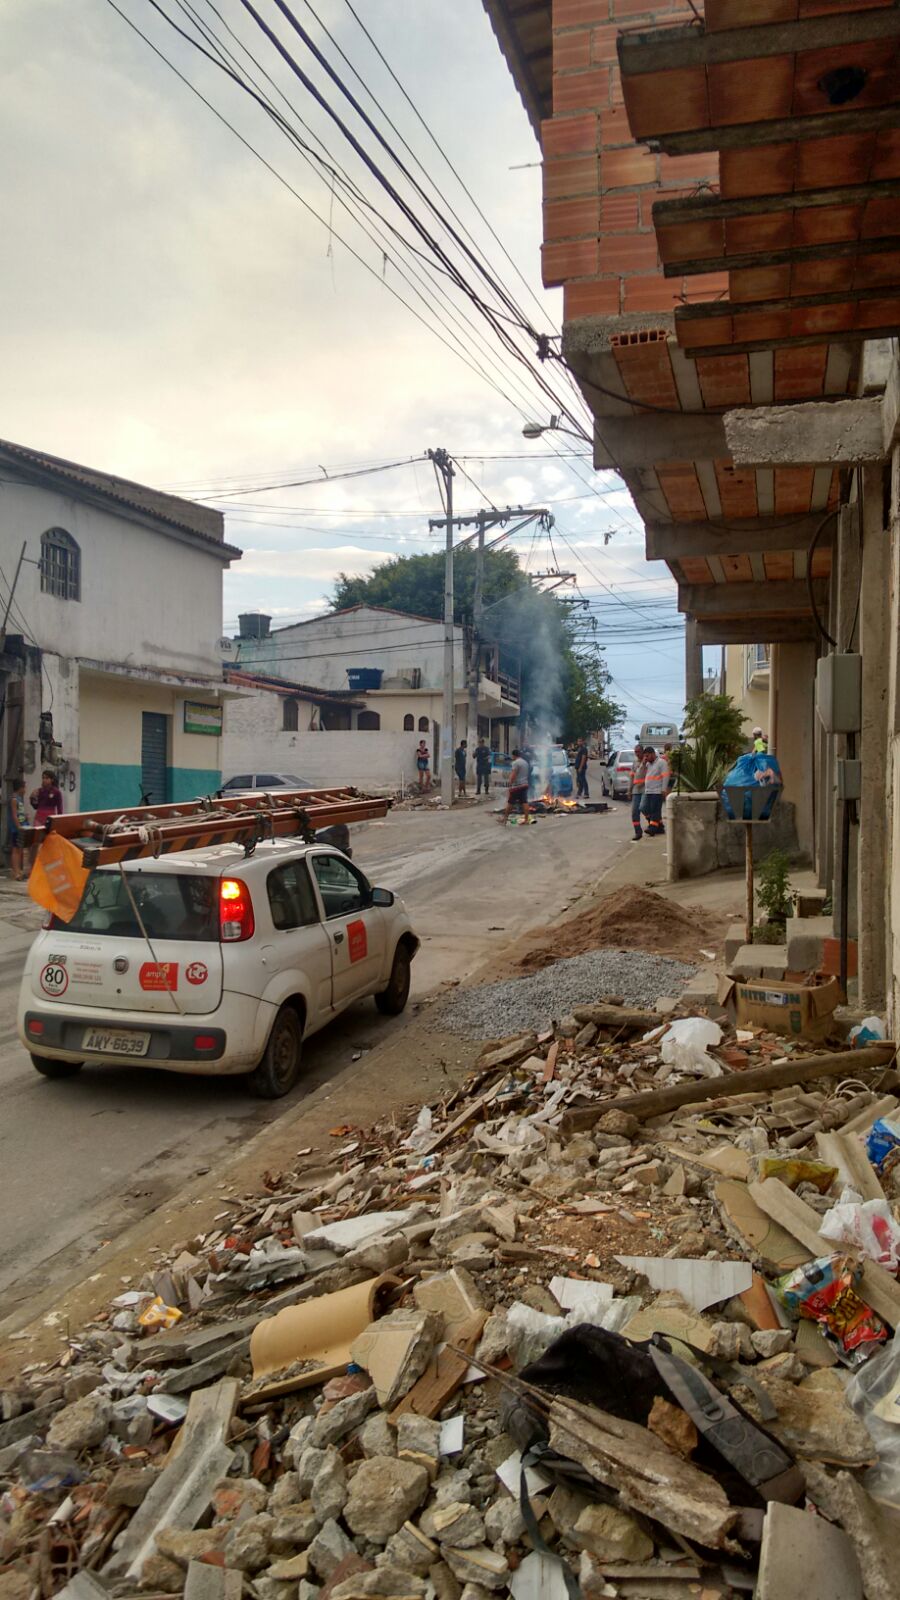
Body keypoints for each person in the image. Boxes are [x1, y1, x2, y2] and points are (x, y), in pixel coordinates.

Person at [30, 767, 63, 866]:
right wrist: (32, 798)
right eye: (43, 778)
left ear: (52, 779)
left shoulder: (56, 792)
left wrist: (59, 821)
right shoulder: (39, 791)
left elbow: (60, 808)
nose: (44, 780)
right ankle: (33, 865)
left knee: (49, 842)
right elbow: (35, 806)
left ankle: (48, 863)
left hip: (50, 819)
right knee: (36, 842)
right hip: (39, 817)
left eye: (47, 778)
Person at [641, 746, 668, 838]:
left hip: (657, 790)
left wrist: (664, 789)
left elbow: (665, 776)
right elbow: (642, 774)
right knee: (644, 808)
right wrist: (643, 764)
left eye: (647, 756)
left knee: (655, 810)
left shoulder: (661, 763)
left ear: (653, 754)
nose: (646, 758)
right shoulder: (648, 764)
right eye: (645, 756)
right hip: (648, 790)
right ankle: (659, 827)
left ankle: (652, 828)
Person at [502, 747, 531, 824]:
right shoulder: (525, 763)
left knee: (510, 803)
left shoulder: (515, 763)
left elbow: (513, 774)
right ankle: (526, 819)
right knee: (525, 802)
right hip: (524, 785)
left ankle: (505, 819)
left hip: (517, 786)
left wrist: (510, 784)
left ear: (514, 755)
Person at [8, 779, 26, 880]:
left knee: (19, 849)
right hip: (16, 829)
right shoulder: (14, 799)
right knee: (15, 849)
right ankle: (15, 871)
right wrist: (18, 827)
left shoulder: (19, 798)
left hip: (21, 826)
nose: (25, 790)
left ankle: (18, 870)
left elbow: (20, 814)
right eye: (24, 787)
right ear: (20, 788)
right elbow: (14, 815)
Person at [630, 742, 647, 841]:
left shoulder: (647, 762)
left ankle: (653, 823)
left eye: (638, 752)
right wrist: (629, 789)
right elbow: (632, 776)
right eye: (635, 752)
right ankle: (638, 831)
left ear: (642, 752)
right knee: (634, 811)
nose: (637, 754)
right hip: (636, 790)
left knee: (643, 808)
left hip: (646, 789)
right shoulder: (634, 763)